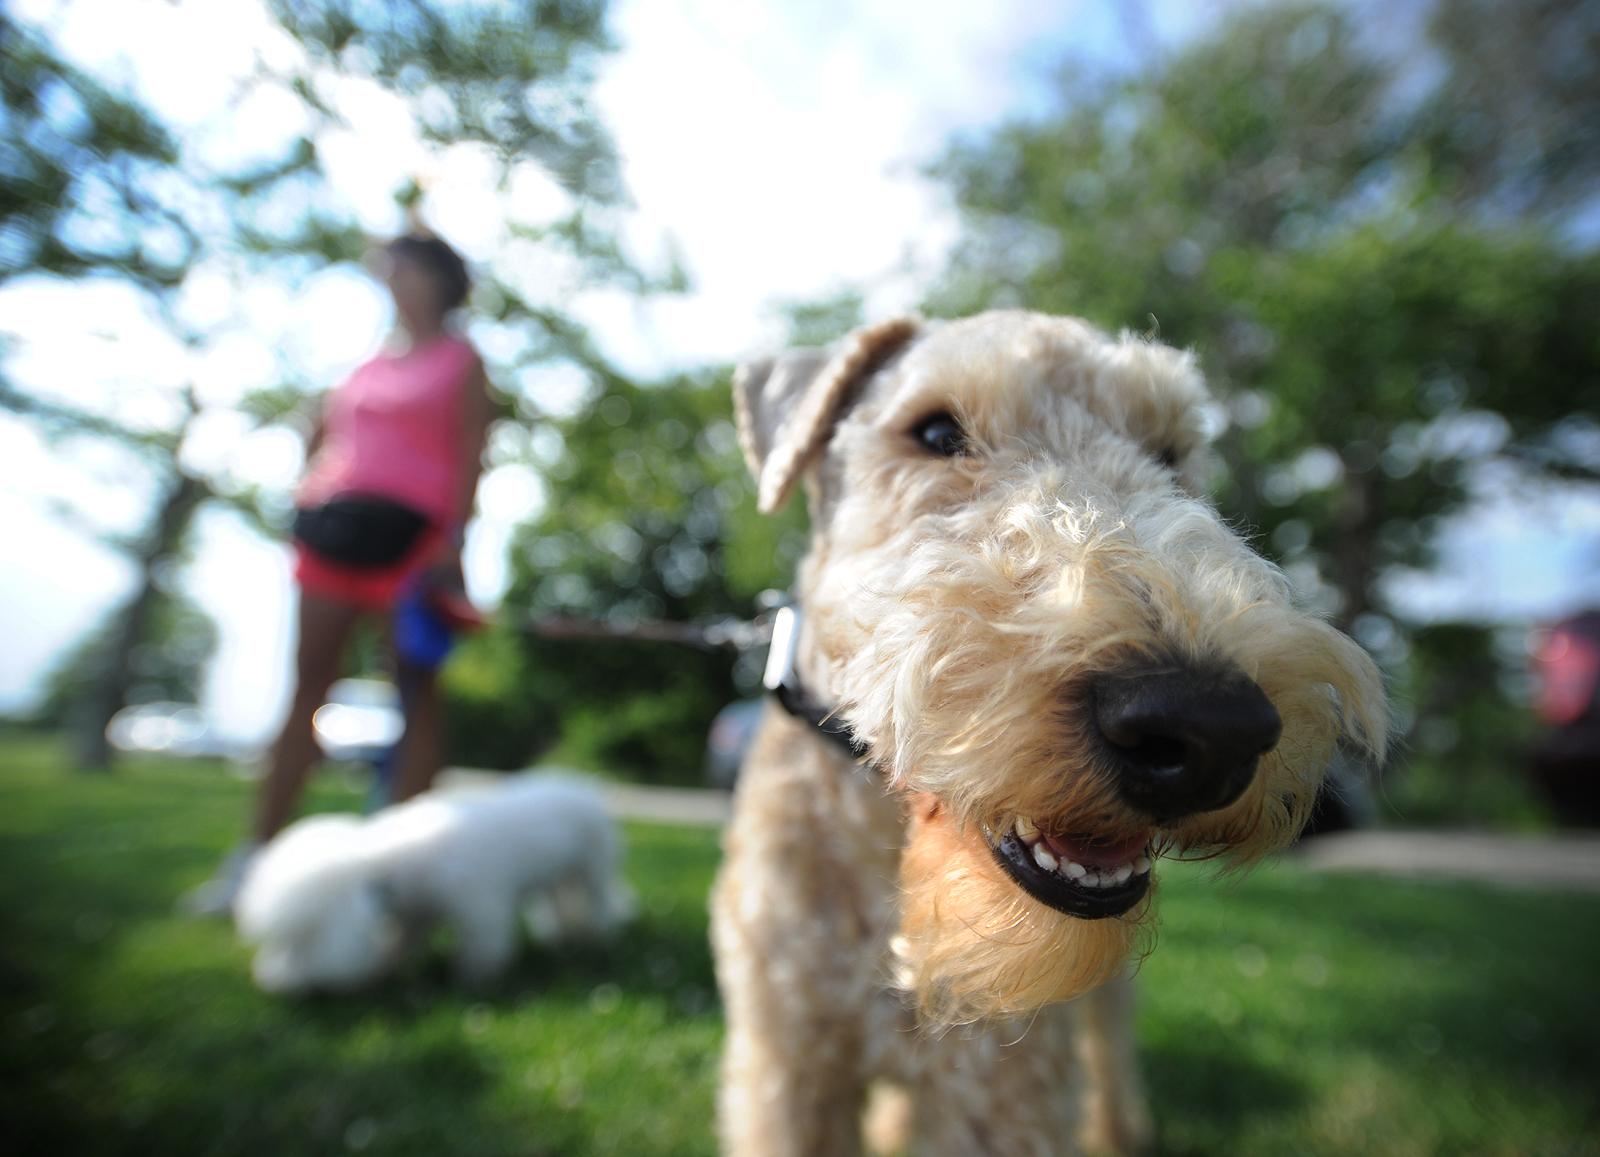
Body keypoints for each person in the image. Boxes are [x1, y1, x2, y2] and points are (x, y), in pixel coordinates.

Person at [183, 231, 493, 916]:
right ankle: (254, 860)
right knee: (305, 693)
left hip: (412, 547)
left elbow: (471, 452)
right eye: (391, 267)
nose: (395, 278)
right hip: (332, 538)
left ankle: (402, 873)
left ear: (440, 280)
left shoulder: (461, 361)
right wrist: (310, 481)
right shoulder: (364, 363)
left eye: (408, 267)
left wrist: (453, 544)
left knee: (415, 698)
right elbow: (324, 434)